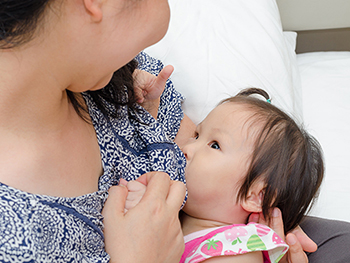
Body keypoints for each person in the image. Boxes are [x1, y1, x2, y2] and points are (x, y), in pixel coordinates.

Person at [0, 1, 348, 262]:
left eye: (209, 144)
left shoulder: (120, 74)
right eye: (200, 140)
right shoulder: (18, 233)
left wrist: (274, 200)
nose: (185, 149)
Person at [122, 88, 324, 262]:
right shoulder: (185, 219)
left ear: (255, 196)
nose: (186, 148)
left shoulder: (236, 250)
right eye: (196, 135)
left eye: (214, 145)